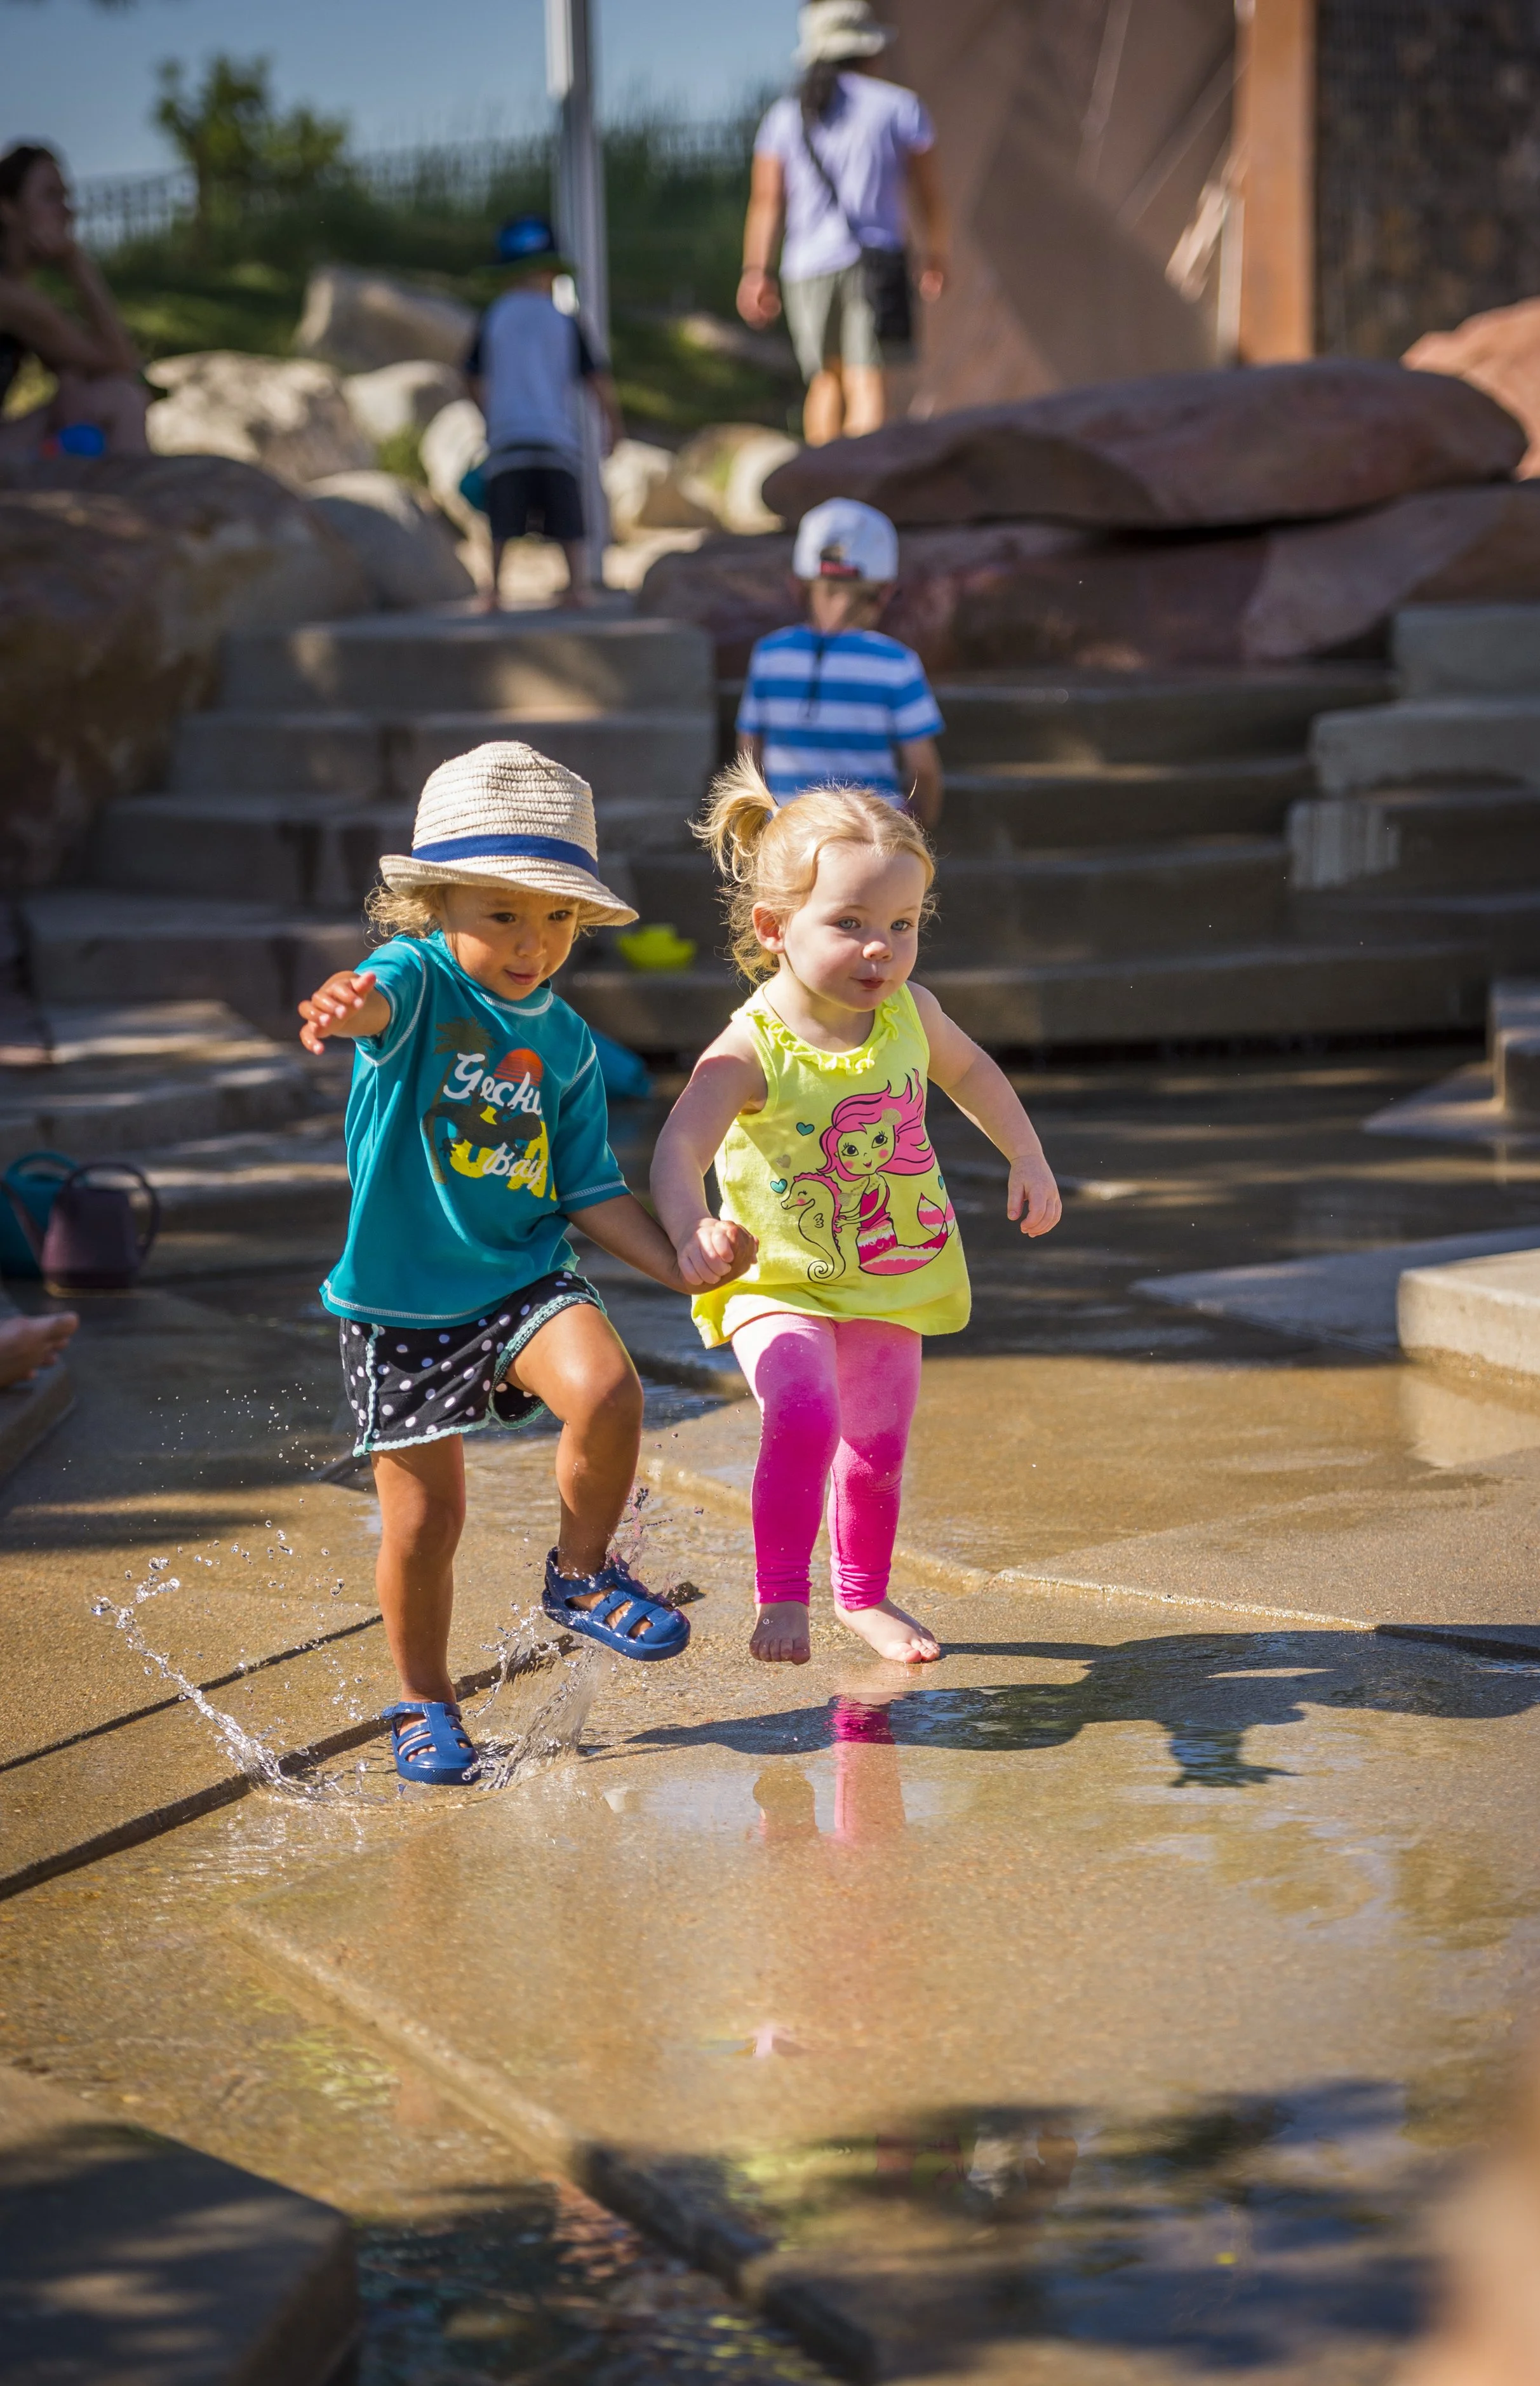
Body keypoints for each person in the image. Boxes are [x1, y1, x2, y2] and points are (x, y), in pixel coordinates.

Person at [297, 741, 753, 1785]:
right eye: (503, 912)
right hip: (401, 1302)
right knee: (427, 1520)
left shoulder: (574, 1047)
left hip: (520, 1279)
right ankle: (422, 1695)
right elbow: (369, 1000)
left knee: (607, 1386)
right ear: (434, 903)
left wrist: (682, 1264)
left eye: (555, 917)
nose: (532, 941)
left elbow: (589, 1190)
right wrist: (342, 1005)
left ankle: (582, 1575)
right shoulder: (413, 980)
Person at [650, 761, 1062, 1669]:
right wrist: (691, 1231)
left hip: (887, 1268)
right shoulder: (749, 1048)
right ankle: (782, 1596)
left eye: (902, 925)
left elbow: (974, 1075)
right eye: (850, 924)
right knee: (804, 1411)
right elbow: (677, 1149)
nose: (881, 948)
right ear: (774, 928)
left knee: (876, 1442)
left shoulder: (912, 1014)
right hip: (775, 1279)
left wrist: (1025, 1154)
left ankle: (864, 1597)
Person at [739, 0, 949, 443]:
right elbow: (929, 194)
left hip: (805, 268)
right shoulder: (899, 107)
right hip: (875, 263)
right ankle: (862, 496)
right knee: (866, 378)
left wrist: (755, 273)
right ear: (869, 50)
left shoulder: (783, 116)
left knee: (825, 381)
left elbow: (766, 202)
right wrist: (936, 254)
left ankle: (823, 497)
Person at [737, 497, 945, 828]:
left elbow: (748, 755)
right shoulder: (897, 663)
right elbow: (925, 771)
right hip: (871, 836)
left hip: (788, 833)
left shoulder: (768, 655)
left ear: (797, 585)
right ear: (886, 591)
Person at [464, 214, 621, 612]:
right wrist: (613, 424)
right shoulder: (564, 320)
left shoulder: (495, 316)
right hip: (556, 433)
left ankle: (494, 590)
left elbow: (471, 375)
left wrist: (488, 412)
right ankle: (576, 586)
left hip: (508, 432)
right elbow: (596, 377)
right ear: (552, 270)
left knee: (503, 519)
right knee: (566, 517)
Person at [0, 144, 149, 463]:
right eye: (51, 196)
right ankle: (138, 507)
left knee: (99, 392)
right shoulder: (10, 298)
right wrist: (76, 262)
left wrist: (70, 377)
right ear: (7, 208)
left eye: (66, 196)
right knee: (122, 399)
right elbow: (121, 359)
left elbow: (80, 357)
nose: (68, 211)